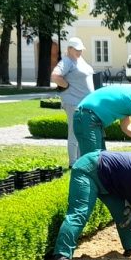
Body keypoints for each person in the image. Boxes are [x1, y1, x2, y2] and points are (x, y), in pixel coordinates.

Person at [51, 36, 95, 166]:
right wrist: (66, 85)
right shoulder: (67, 61)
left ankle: (80, 160)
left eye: (81, 49)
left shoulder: (79, 59)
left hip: (83, 102)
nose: (79, 52)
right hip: (73, 102)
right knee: (74, 133)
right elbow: (55, 76)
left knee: (82, 132)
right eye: (77, 49)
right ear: (69, 49)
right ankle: (73, 163)